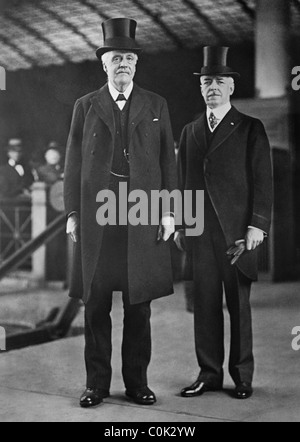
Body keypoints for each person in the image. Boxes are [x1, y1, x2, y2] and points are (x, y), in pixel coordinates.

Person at [64, 18, 177, 408]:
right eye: (116, 58)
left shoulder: (156, 104)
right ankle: (96, 384)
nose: (123, 64)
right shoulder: (86, 106)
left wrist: (168, 213)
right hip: (98, 216)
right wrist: (72, 213)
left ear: (136, 64)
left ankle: (136, 383)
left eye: (129, 57)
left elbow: (168, 163)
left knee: (138, 304)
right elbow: (73, 163)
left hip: (142, 213)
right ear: (104, 64)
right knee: (95, 303)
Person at [175, 47, 273, 400]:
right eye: (206, 82)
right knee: (204, 305)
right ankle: (209, 374)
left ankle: (242, 376)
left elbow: (263, 180)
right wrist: (184, 226)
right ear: (200, 88)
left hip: (237, 235)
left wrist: (257, 226)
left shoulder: (250, 128)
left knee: (239, 306)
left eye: (219, 81)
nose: (211, 87)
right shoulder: (190, 131)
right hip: (200, 234)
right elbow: (183, 182)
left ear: (231, 87)